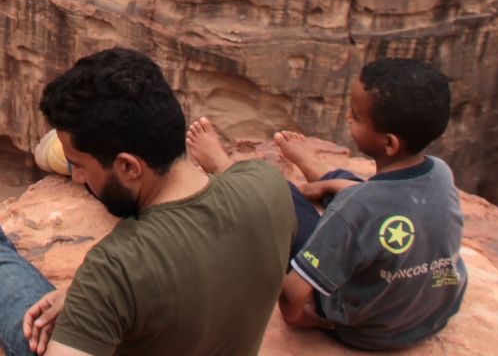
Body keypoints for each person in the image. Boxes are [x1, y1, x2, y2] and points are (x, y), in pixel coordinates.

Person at [0, 47, 291, 356]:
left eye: (81, 167)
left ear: (128, 166)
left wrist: (95, 303)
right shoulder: (267, 184)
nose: (81, 178)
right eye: (75, 166)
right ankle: (64, 152)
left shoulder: (116, 270)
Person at [197, 58, 467, 350]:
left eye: (356, 116)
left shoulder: (354, 209)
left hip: (367, 330)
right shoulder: (440, 171)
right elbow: (385, 202)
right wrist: (335, 185)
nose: (349, 119)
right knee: (360, 194)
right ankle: (321, 172)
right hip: (430, 315)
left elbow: (292, 299)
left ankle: (225, 167)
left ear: (389, 143)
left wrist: (308, 319)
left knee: (280, 193)